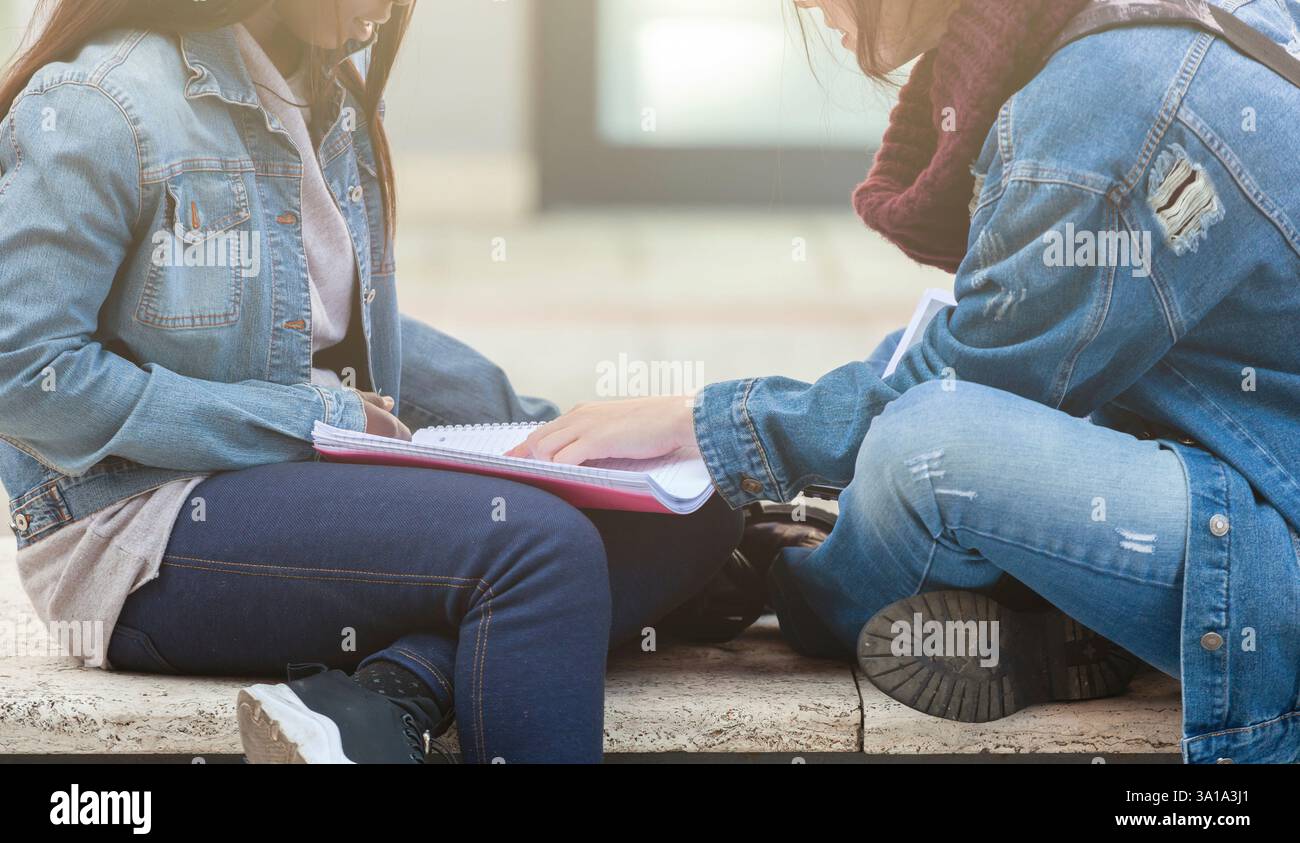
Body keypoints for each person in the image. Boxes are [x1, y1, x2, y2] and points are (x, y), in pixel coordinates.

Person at [510, 0, 1300, 763]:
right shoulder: (1132, 39)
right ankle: (1052, 621)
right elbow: (1009, 337)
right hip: (1233, 466)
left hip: (1270, 547)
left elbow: (975, 384)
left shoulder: (1113, 90)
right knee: (925, 398)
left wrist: (709, 423)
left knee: (926, 450)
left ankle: (796, 589)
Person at [0, 0, 743, 764]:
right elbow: (24, 375)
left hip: (299, 478)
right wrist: (309, 419)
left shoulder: (327, 85)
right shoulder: (100, 104)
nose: (390, 9)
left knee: (696, 502)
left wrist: (555, 439)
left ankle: (387, 698)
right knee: (539, 551)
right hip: (139, 523)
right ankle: (394, 694)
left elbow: (323, 333)